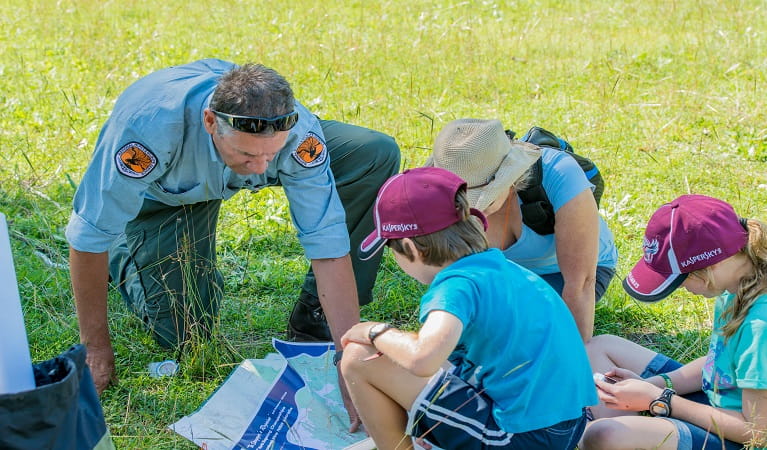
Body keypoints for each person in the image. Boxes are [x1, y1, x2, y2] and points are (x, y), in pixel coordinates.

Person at [65, 59, 400, 426]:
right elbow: (88, 238)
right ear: (211, 122)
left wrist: (346, 357)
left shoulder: (298, 134)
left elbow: (328, 243)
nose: (260, 168)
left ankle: (314, 316)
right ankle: (124, 253)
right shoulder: (148, 132)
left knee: (373, 151)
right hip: (165, 199)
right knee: (185, 332)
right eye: (247, 154)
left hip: (209, 166)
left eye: (271, 156)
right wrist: (94, 349)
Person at [340, 167, 596, 449]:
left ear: (410, 248)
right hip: (566, 426)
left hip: (519, 437)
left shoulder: (455, 286)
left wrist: (375, 332)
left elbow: (423, 360)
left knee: (357, 356)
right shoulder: (502, 267)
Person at [582, 194, 767, 450]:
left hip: (736, 433)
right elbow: (720, 361)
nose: (683, 289)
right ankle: (629, 425)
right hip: (714, 401)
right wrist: (654, 385)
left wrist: (659, 399)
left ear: (709, 266)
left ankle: (617, 431)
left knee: (604, 435)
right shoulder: (735, 286)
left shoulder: (760, 326)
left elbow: (758, 432)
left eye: (681, 280)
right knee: (598, 348)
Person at [426, 118, 618, 341]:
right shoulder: (437, 187)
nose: (470, 210)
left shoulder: (560, 173)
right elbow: (448, 276)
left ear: (508, 176)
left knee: (532, 336)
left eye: (482, 199)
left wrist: (578, 357)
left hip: (565, 273)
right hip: (505, 274)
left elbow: (580, 283)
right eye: (460, 202)